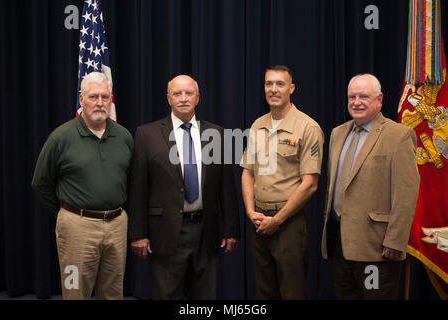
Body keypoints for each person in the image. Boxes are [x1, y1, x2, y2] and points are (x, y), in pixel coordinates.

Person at [128, 74, 240, 300]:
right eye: (177, 93)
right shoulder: (146, 134)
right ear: (168, 99)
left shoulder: (216, 134)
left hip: (205, 231)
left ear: (198, 98)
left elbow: (227, 188)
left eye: (189, 93)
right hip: (166, 232)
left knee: (205, 297)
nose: (183, 98)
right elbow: (139, 187)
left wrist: (231, 230)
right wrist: (138, 233)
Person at [31, 72, 134, 300]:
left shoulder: (124, 137)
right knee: (74, 290)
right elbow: (40, 183)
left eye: (105, 97)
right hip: (76, 227)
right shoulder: (61, 137)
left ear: (111, 100)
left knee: (113, 293)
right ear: (81, 99)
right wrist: (67, 214)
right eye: (93, 97)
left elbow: (129, 178)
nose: (99, 103)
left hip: (116, 225)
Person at [321, 73, 420, 299]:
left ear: (379, 99)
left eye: (363, 96)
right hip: (340, 246)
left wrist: (395, 241)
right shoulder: (338, 133)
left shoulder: (399, 136)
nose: (356, 102)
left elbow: (406, 194)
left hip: (377, 250)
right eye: (352, 97)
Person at [240, 65, 324, 299]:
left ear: (291, 88)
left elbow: (310, 184)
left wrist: (277, 220)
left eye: (280, 84)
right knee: (264, 292)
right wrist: (249, 210)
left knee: (292, 293)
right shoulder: (258, 125)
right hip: (259, 222)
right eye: (269, 84)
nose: (273, 89)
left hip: (288, 224)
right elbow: (248, 172)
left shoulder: (308, 127)